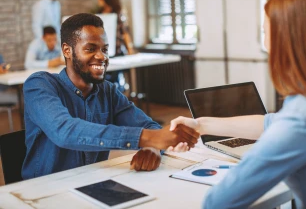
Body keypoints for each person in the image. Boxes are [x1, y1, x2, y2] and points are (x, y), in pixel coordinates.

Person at [170, 0, 306, 208]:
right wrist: (200, 124)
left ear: (284, 43)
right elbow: (269, 122)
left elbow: (219, 202)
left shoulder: (302, 119)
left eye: (265, 33)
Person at [22, 13, 199, 179]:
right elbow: (65, 131)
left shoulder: (107, 91)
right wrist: (147, 138)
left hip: (91, 184)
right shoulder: (39, 85)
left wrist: (152, 147)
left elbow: (149, 126)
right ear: (67, 51)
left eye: (105, 49)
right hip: (44, 192)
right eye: (90, 49)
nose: (101, 56)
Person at [97, 0, 134, 91]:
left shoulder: (118, 13)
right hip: (104, 52)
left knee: (115, 79)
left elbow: (125, 32)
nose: (98, 0)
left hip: (117, 52)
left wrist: (130, 49)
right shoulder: (99, 13)